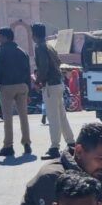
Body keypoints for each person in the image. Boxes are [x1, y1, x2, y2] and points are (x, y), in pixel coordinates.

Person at [32, 23, 75, 160]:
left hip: (50, 85)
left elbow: (43, 67)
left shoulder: (40, 47)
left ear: (34, 35)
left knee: (53, 117)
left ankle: (54, 147)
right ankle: (71, 143)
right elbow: (57, 61)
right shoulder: (50, 46)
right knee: (61, 116)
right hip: (58, 83)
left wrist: (38, 81)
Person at [0, 28, 32, 157]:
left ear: (6, 37)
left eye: (0, 36)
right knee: (23, 116)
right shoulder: (23, 52)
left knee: (8, 118)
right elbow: (27, 72)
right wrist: (28, 91)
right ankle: (27, 144)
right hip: (22, 86)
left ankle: (8, 146)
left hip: (7, 87)